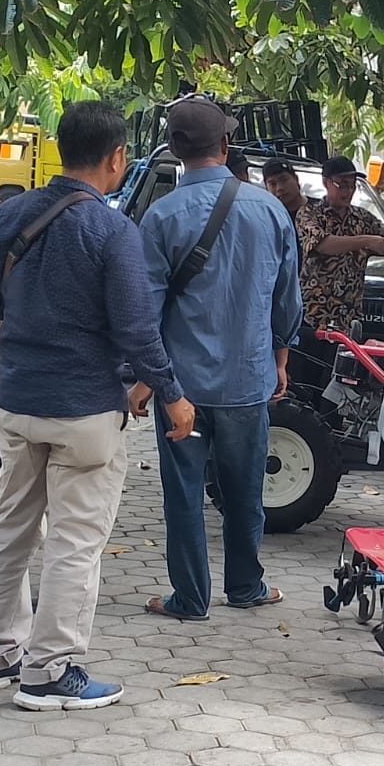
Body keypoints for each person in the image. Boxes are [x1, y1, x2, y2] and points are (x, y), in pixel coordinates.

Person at [0, 100, 195, 710]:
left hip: (17, 398)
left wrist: (31, 315)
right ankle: (49, 670)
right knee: (75, 541)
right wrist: (171, 395)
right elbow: (137, 330)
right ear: (117, 157)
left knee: (11, 525)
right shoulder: (112, 231)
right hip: (85, 408)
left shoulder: (10, 213)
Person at [133, 98, 302, 620]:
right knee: (245, 490)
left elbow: (145, 310)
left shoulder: (160, 216)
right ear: (226, 146)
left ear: (174, 150)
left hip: (179, 388)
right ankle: (246, 586)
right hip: (247, 379)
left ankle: (189, 598)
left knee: (183, 493)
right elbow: (287, 300)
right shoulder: (269, 210)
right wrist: (280, 358)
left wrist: (145, 379)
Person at [293, 155, 384, 388]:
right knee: (303, 382)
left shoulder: (362, 218)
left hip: (347, 321)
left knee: (338, 386)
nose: (348, 191)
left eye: (352, 185)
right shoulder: (309, 213)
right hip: (311, 317)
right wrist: (367, 241)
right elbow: (322, 244)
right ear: (326, 182)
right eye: (341, 185)